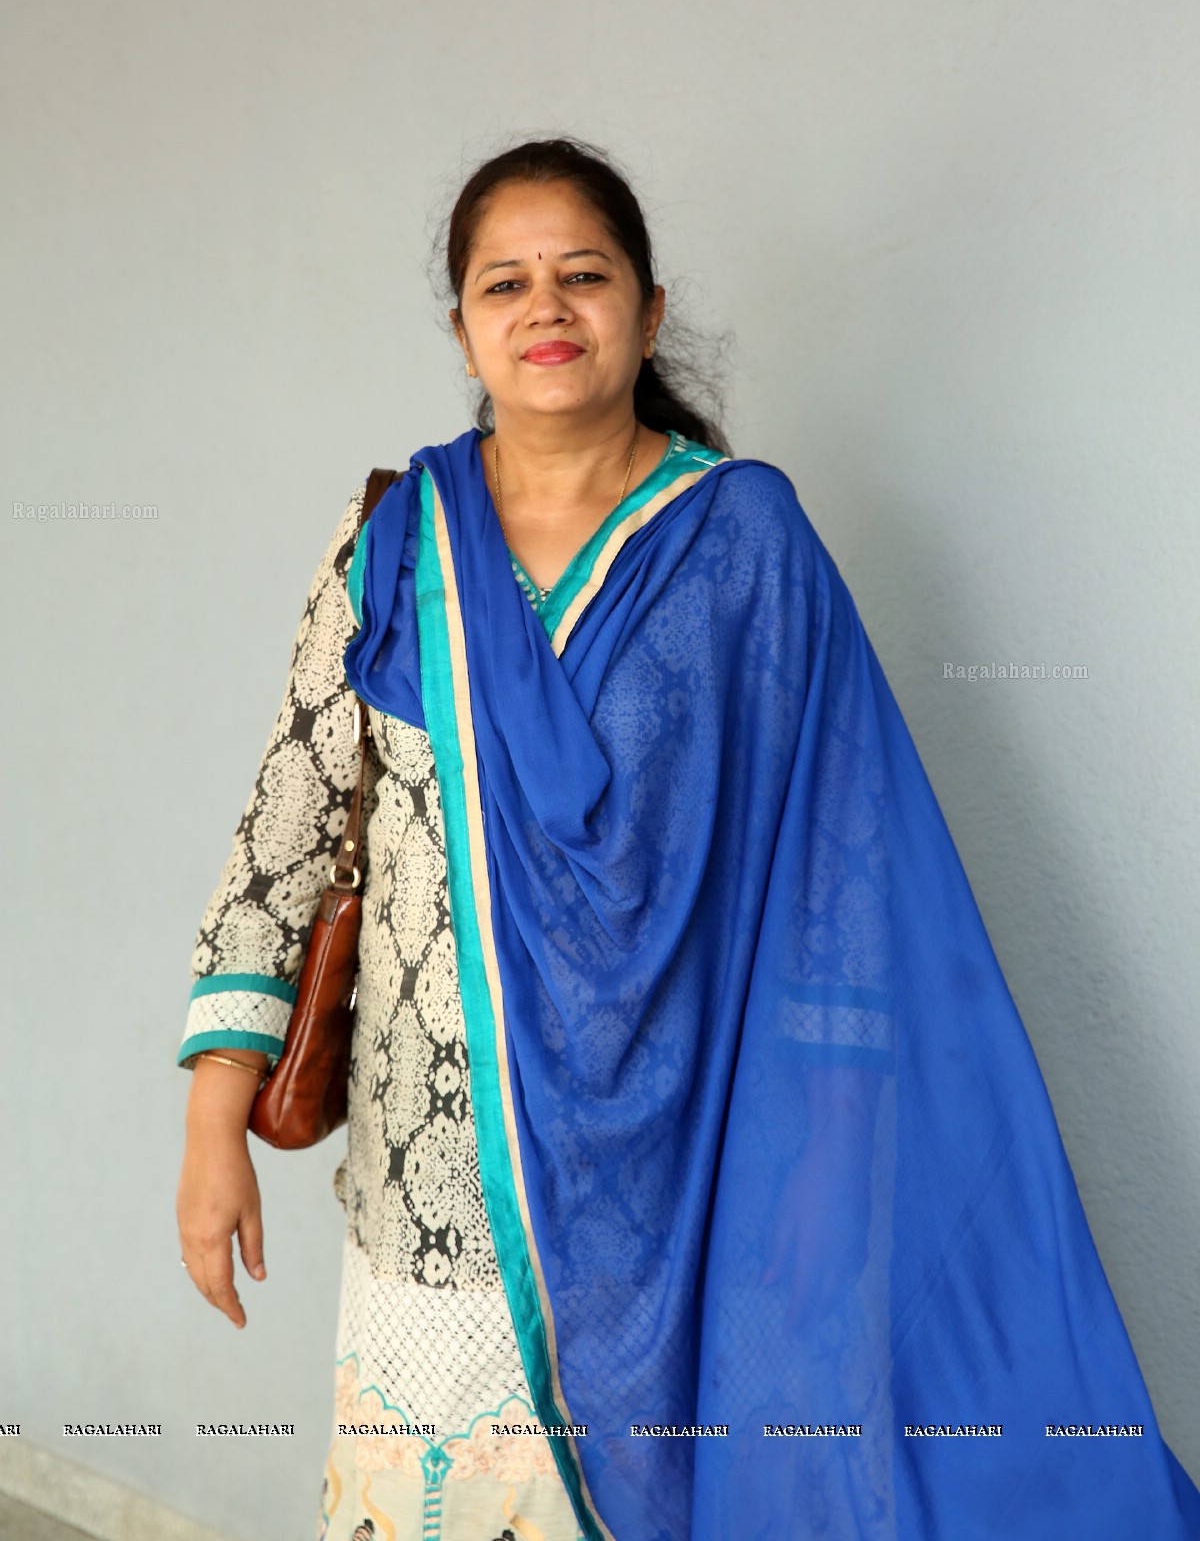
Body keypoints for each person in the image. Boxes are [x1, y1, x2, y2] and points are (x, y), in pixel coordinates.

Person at [176, 137, 1200, 1541]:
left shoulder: (744, 546)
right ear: (465, 329)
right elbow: (284, 832)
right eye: (506, 283)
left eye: (583, 275)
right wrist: (212, 1120)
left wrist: (824, 1172)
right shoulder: (394, 547)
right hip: (423, 1186)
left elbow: (841, 871)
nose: (547, 308)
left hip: (683, 1188)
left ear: (648, 313)